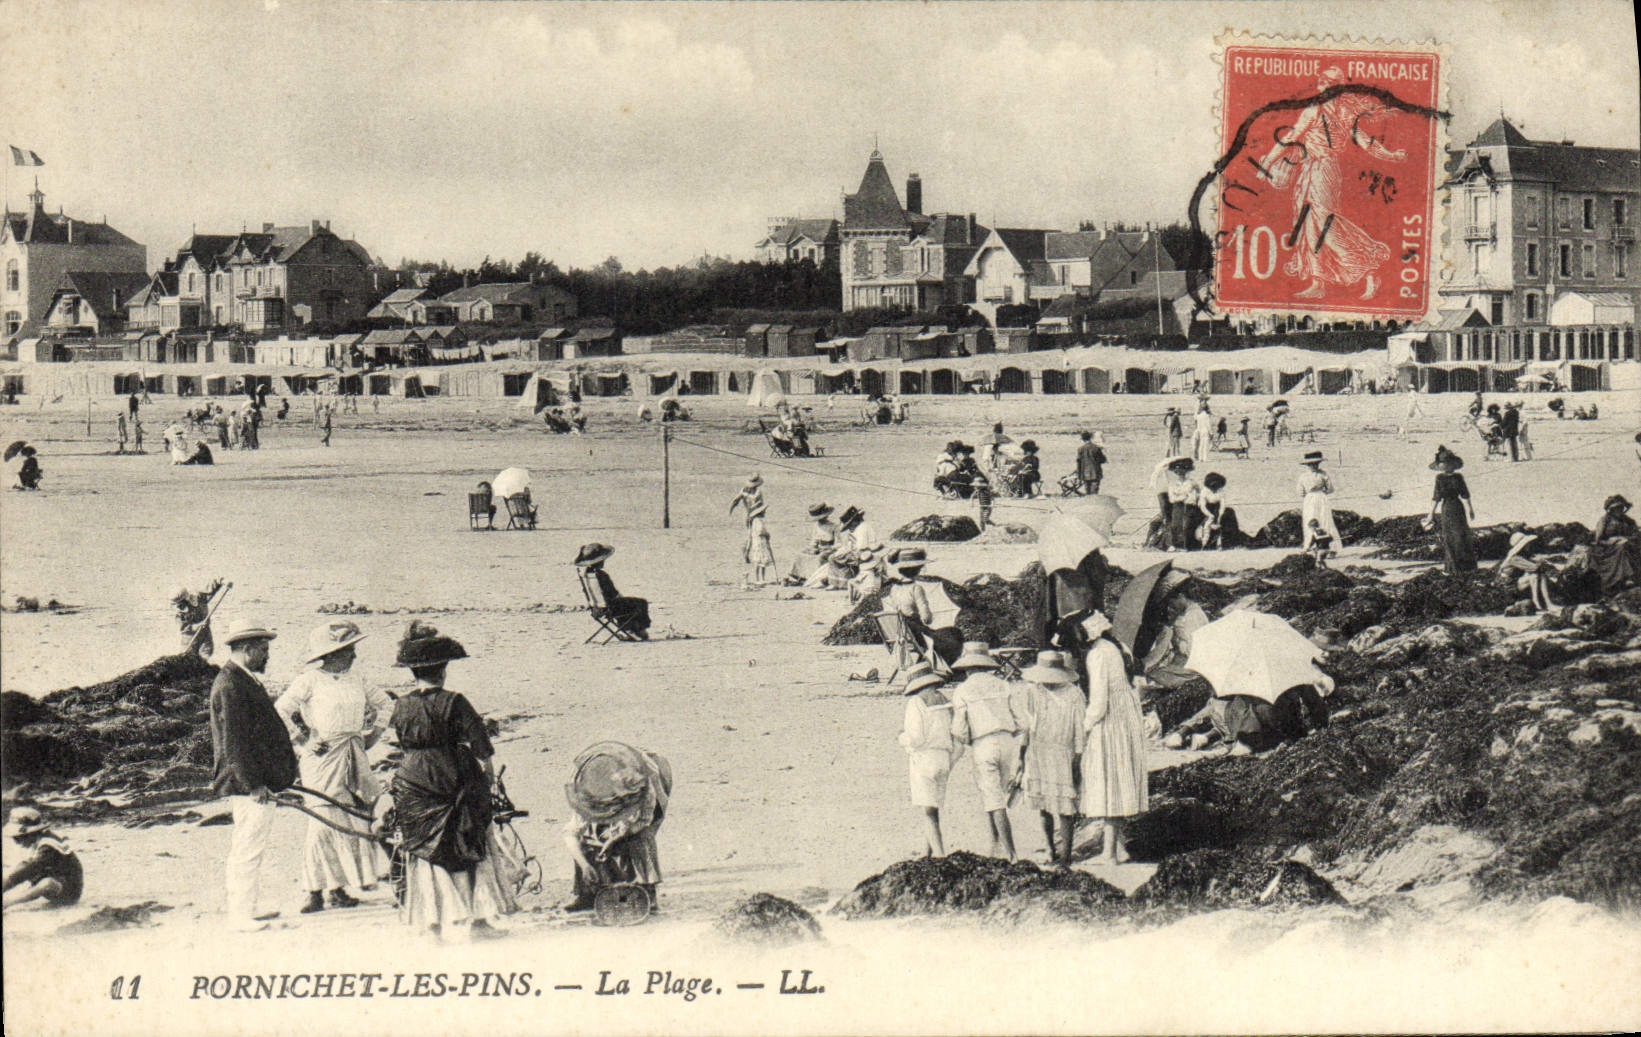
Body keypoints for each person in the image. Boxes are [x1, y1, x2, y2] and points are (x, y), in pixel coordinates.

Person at [377, 621, 512, 939]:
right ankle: (477, 923)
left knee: (423, 851)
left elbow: (394, 745)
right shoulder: (455, 701)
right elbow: (482, 749)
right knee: (470, 847)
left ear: (413, 672)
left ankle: (433, 928)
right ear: (444, 670)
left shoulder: (402, 705)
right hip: (454, 778)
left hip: (413, 782)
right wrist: (488, 782)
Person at [275, 621, 392, 914]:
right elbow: (280, 710)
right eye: (349, 649)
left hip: (354, 755)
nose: (354, 655)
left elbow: (387, 704)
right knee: (322, 822)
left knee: (355, 818)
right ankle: (314, 890)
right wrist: (302, 740)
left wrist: (374, 734)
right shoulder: (309, 680)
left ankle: (340, 888)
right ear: (332, 653)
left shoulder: (358, 678)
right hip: (323, 759)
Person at [209, 618, 298, 932]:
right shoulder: (231, 684)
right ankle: (240, 916)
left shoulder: (241, 678)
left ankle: (248, 907)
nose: (267, 656)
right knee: (247, 848)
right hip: (249, 785)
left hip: (256, 782)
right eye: (263, 650)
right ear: (246, 650)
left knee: (250, 846)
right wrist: (254, 785)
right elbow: (234, 742)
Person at [560, 742, 673, 915]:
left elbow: (643, 821)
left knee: (641, 839)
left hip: (640, 822)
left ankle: (647, 891)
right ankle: (588, 893)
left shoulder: (642, 789)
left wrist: (615, 838)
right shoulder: (586, 795)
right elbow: (570, 833)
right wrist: (584, 866)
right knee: (586, 842)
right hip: (611, 823)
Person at [1078, 611, 1148, 865]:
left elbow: (1098, 702)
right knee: (1118, 779)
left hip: (1111, 720)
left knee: (1108, 781)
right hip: (1126, 715)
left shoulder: (1097, 654)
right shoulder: (1118, 646)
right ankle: (1118, 847)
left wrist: (1083, 727)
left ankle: (1109, 854)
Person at [948, 643, 1022, 862]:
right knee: (996, 794)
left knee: (992, 798)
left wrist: (968, 739)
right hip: (1007, 741)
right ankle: (996, 844)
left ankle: (1011, 854)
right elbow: (1022, 720)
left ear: (967, 667)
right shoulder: (1002, 685)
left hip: (983, 742)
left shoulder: (962, 690)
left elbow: (958, 729)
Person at [1011, 651, 1085, 869]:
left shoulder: (1074, 694)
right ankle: (1049, 848)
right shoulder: (1032, 691)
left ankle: (1066, 855)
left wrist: (1078, 757)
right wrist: (1021, 756)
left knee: (1065, 806)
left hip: (1063, 752)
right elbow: (1027, 726)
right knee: (1043, 803)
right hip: (1038, 751)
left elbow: (1080, 730)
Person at [897, 665, 957, 858]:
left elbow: (916, 738)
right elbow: (957, 735)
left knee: (928, 812)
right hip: (944, 758)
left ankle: (940, 856)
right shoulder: (945, 701)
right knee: (932, 808)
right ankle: (927, 853)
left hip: (924, 759)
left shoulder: (916, 702)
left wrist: (901, 737)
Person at [884, 548, 962, 673]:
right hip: (917, 634)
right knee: (953, 634)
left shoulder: (894, 589)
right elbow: (927, 618)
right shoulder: (916, 588)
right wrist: (930, 616)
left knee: (946, 635)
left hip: (903, 634)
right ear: (918, 569)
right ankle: (952, 671)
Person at [3, 808, 83, 911]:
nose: (16, 842)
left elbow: (29, 869)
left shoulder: (48, 847)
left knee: (46, 882)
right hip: (55, 879)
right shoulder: (40, 840)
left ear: (32, 833)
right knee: (20, 867)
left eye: (18, 838)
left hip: (68, 891)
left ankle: (7, 903)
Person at [575, 543, 651, 639]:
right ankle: (638, 630)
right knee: (641, 602)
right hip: (609, 607)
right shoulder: (601, 575)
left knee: (627, 604)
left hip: (597, 607)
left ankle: (628, 627)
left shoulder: (587, 574)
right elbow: (612, 593)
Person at [1427, 446, 1476, 573]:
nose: (1444, 465)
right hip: (1446, 509)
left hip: (1458, 508)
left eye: (1446, 463)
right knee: (1449, 538)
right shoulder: (1439, 478)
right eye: (1442, 463)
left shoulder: (1458, 477)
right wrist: (1430, 514)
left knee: (1461, 536)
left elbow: (1465, 494)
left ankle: (1466, 566)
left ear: (1452, 464)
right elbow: (1436, 497)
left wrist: (1470, 509)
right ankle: (1452, 567)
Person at [1495, 531, 1558, 612]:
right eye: (1527, 543)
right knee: (1535, 575)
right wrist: (1541, 562)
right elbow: (1534, 568)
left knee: (1540, 575)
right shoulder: (1515, 558)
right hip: (1508, 586)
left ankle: (1546, 603)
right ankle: (1540, 602)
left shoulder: (1520, 555)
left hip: (1513, 582)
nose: (1529, 545)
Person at [1590, 494, 1640, 594]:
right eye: (1616, 508)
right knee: (1621, 547)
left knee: (1626, 547)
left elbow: (1637, 536)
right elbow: (1598, 540)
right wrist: (1612, 541)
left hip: (1628, 545)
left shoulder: (1629, 521)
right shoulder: (1605, 520)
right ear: (1611, 509)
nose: (1619, 510)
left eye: (1621, 507)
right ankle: (1627, 577)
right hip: (1607, 549)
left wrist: (1625, 538)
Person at [1298, 450, 1340, 556]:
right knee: (1321, 520)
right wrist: (1321, 492)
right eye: (1312, 464)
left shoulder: (1304, 476)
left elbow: (1300, 492)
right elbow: (1330, 489)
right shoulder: (1322, 474)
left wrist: (1310, 494)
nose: (1314, 465)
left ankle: (1314, 546)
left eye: (1315, 464)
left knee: (1319, 520)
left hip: (1312, 499)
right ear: (1308, 464)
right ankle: (1319, 546)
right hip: (1320, 498)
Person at [1165, 456, 1200, 551]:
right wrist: (1183, 497)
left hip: (1189, 507)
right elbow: (1172, 499)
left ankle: (1185, 545)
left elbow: (1194, 497)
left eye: (1182, 471)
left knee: (1187, 524)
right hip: (1177, 507)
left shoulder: (1192, 483)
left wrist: (1188, 498)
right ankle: (1175, 544)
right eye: (1177, 471)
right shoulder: (1172, 484)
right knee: (1175, 524)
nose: (1180, 473)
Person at [1197, 472, 1240, 549]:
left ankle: (1229, 542)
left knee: (1229, 513)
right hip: (1206, 510)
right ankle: (1206, 543)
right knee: (1207, 523)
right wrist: (1210, 515)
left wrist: (1220, 516)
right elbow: (1203, 506)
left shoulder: (1221, 491)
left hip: (1218, 509)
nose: (1215, 488)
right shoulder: (1204, 491)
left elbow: (1222, 504)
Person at [1075, 431, 1106, 495]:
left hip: (1085, 473)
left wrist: (1079, 475)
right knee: (1094, 492)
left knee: (1087, 491)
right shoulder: (1096, 448)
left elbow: (1078, 462)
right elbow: (1103, 460)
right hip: (1095, 472)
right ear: (1090, 438)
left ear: (1083, 439)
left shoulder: (1080, 449)